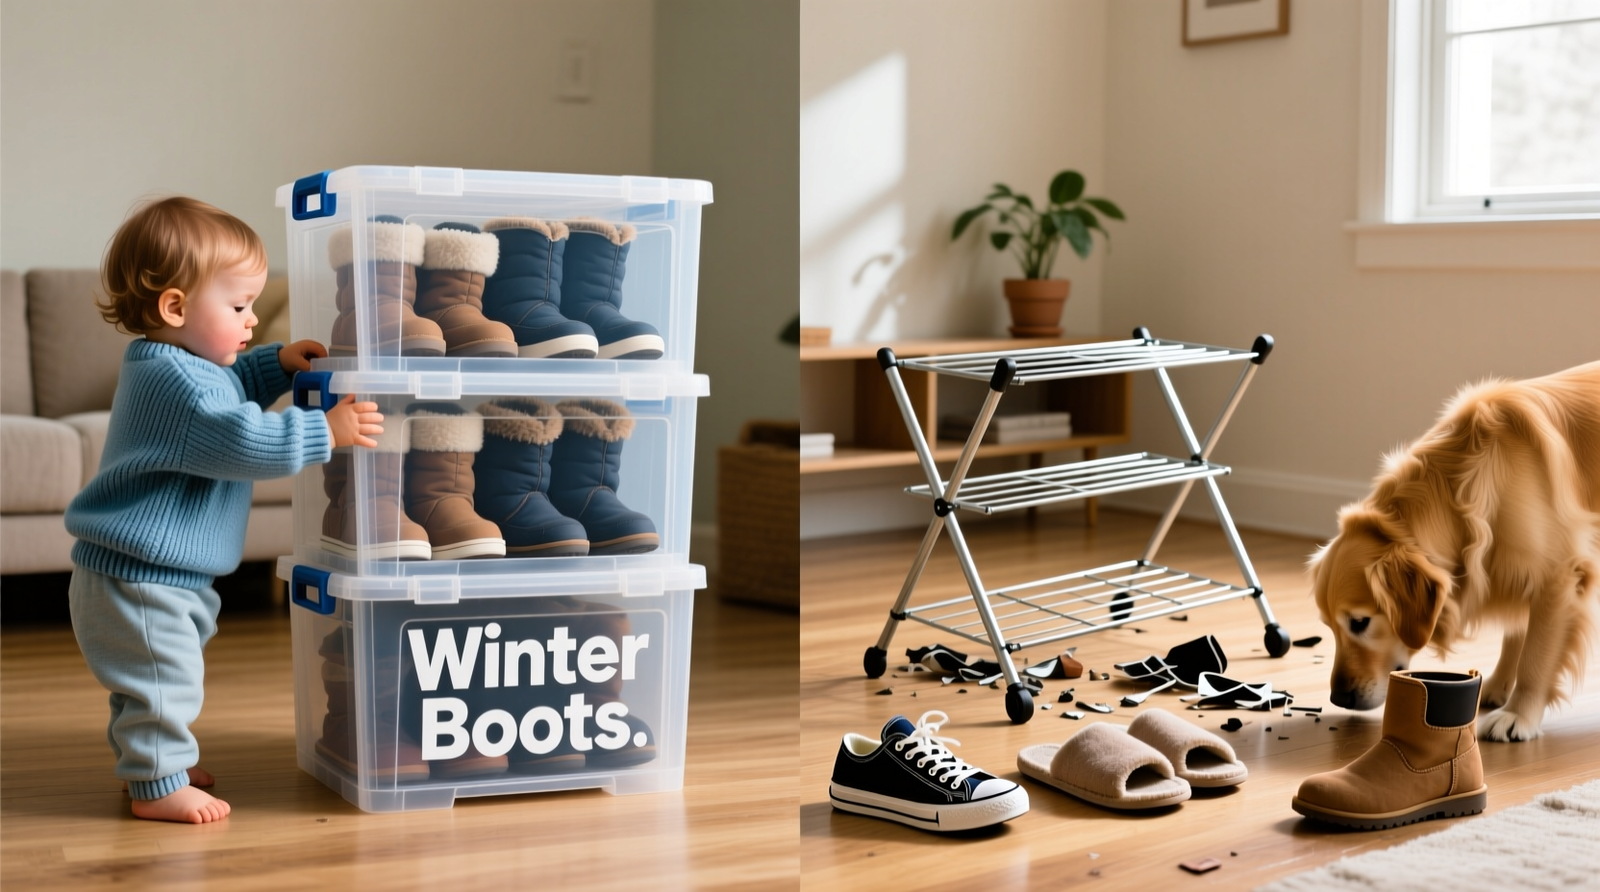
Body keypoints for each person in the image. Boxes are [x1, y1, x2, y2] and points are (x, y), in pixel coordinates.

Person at [64, 196, 383, 823]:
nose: (251, 319)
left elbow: (230, 387)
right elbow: (240, 439)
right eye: (239, 307)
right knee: (163, 683)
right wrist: (326, 429)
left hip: (150, 574)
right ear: (175, 307)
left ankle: (155, 766)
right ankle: (158, 786)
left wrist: (275, 364)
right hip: (139, 577)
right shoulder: (175, 383)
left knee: (153, 683)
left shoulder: (182, 364)